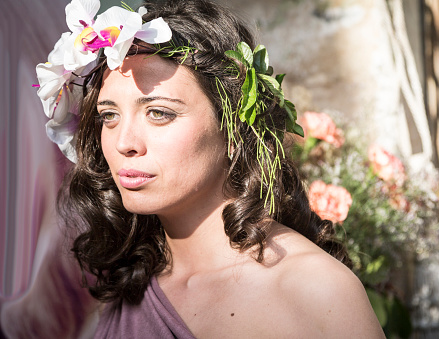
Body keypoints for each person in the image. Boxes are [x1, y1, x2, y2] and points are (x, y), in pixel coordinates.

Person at [35, 0, 385, 337]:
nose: (124, 142)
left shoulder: (317, 291)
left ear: (234, 129)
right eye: (108, 115)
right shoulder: (128, 284)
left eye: (159, 113)